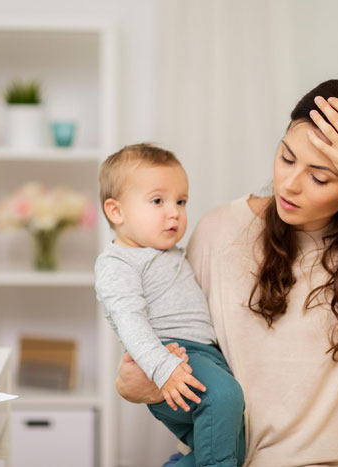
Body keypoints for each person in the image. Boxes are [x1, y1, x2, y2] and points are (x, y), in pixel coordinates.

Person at [115, 78, 338, 466]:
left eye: (320, 177)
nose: (289, 184)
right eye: (287, 157)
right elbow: (190, 351)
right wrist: (148, 387)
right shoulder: (220, 230)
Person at [94, 143, 245, 467]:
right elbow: (129, 321)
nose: (174, 212)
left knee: (234, 442)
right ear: (116, 211)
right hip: (172, 357)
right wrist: (164, 368)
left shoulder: (171, 252)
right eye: (157, 201)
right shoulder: (117, 263)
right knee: (224, 397)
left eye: (181, 201)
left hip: (205, 356)